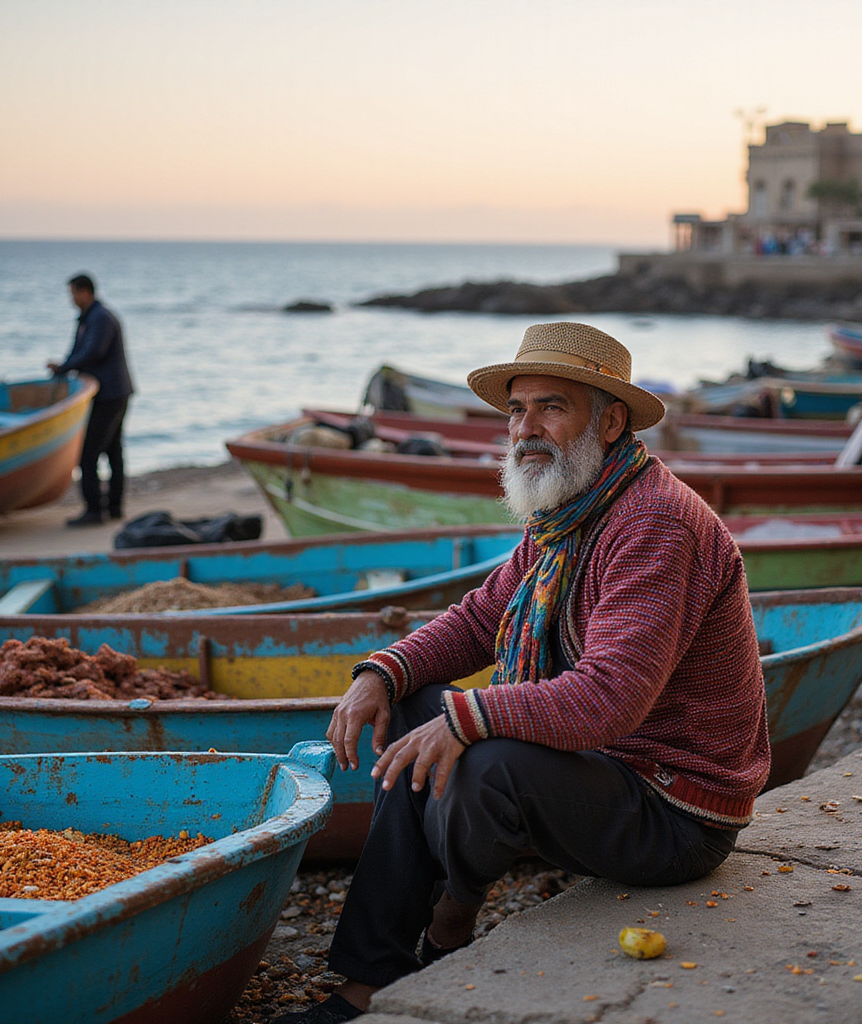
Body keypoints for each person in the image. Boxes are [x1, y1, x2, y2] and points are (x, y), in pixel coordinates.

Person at [275, 322, 771, 1024]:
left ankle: (450, 918)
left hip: (677, 812)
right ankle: (371, 975)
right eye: (515, 408)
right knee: (416, 703)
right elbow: (482, 617)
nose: (525, 428)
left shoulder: (656, 522)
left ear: (611, 421)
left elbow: (613, 697)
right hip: (604, 772)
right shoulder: (568, 513)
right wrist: (381, 673)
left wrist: (473, 719)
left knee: (486, 760)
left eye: (552, 407)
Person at [47, 274, 135, 526]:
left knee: (90, 452)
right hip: (113, 391)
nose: (71, 300)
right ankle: (114, 507)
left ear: (85, 292)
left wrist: (65, 367)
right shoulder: (90, 318)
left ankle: (96, 509)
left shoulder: (101, 318)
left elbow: (93, 353)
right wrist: (63, 366)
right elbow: (79, 351)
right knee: (112, 449)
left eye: (73, 294)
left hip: (110, 394)